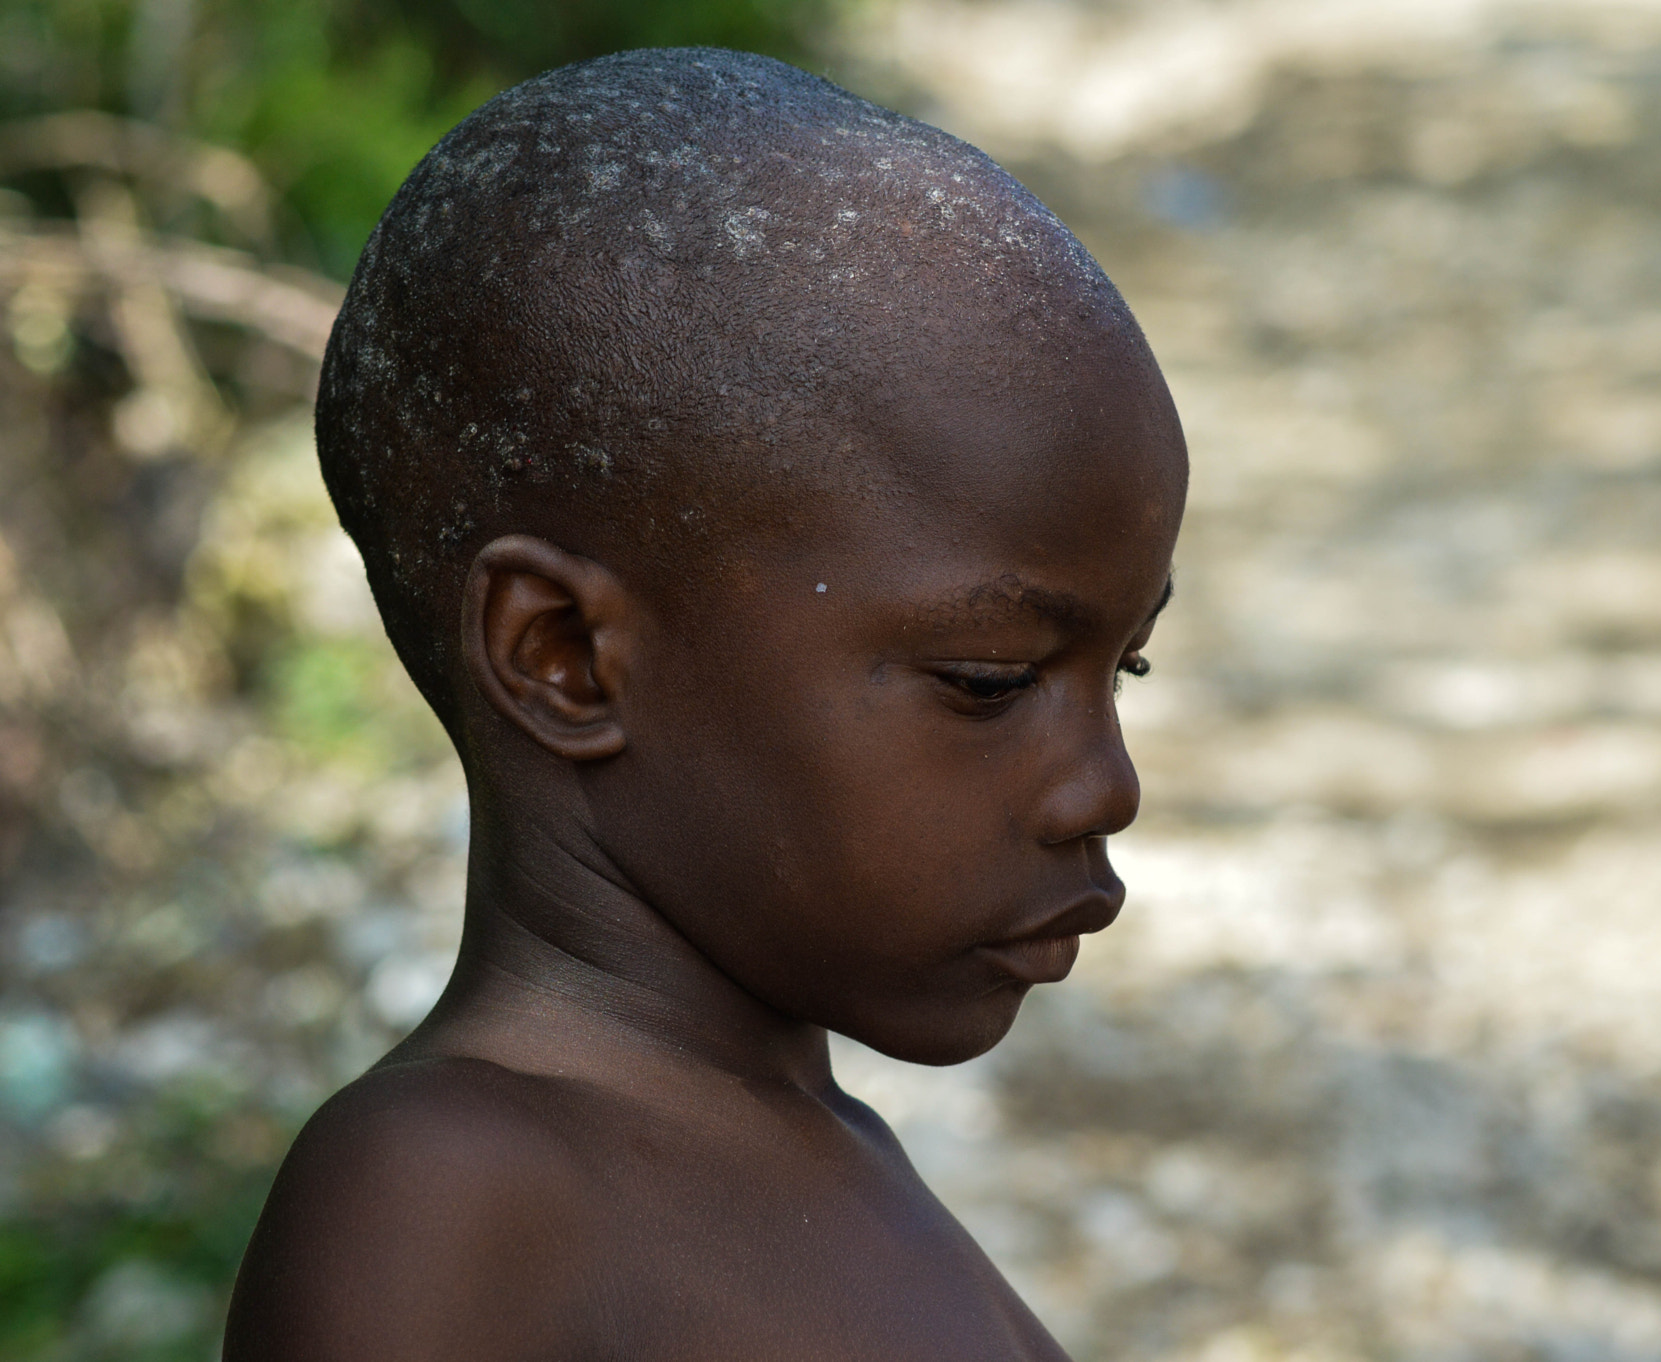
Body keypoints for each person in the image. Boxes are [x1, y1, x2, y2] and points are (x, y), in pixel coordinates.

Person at [221, 47, 1186, 1361]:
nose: (1105, 785)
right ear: (563, 655)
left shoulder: (818, 1149)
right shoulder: (453, 1200)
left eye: (1121, 667)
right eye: (992, 681)